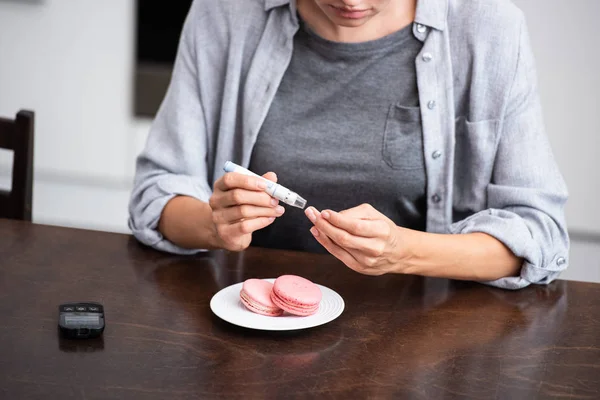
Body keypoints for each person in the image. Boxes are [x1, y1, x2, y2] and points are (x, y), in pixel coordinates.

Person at [128, 0, 569, 290]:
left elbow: (540, 232)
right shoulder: (224, 14)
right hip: (250, 324)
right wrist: (214, 224)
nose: (353, 2)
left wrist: (406, 251)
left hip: (428, 339)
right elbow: (155, 192)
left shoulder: (487, 28)